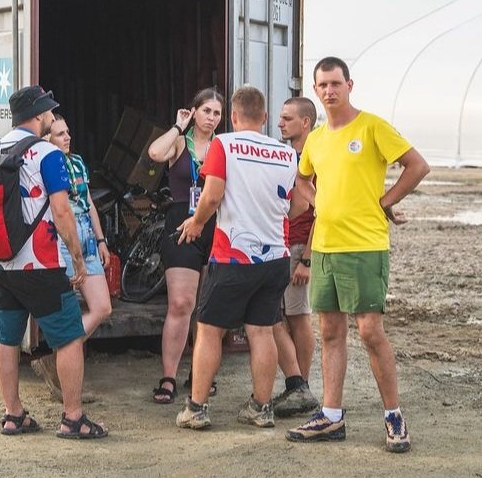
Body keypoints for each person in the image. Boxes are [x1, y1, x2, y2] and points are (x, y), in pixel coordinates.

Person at [286, 57, 430, 453]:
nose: (329, 91)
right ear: (315, 91)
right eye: (323, 85)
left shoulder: (372, 126)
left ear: (350, 85)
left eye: (336, 83)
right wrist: (320, 203)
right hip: (326, 246)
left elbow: (417, 166)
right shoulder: (315, 138)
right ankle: (331, 417)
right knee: (330, 332)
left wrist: (384, 202)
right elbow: (302, 178)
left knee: (369, 330)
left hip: (365, 246)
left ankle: (393, 416)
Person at [174, 85, 302, 430]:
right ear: (263, 117)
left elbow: (213, 195)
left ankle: (197, 408)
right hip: (275, 255)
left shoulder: (224, 144)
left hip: (233, 254)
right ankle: (261, 408)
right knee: (261, 331)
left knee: (210, 329)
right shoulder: (286, 153)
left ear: (232, 116)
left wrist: (197, 222)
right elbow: (302, 202)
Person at [0, 85, 107, 440]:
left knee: (6, 340)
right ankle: (73, 418)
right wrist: (76, 257)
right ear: (38, 116)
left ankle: (13, 415)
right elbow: (61, 210)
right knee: (69, 338)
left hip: (1, 264)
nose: (52, 118)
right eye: (49, 113)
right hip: (41, 262)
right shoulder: (47, 154)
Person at [146, 88, 224, 404]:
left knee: (207, 307)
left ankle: (200, 373)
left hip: (216, 223)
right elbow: (154, 153)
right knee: (180, 303)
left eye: (217, 113)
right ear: (193, 111)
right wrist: (179, 126)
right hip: (181, 220)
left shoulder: (223, 146)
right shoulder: (180, 141)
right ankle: (168, 377)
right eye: (206, 111)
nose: (211, 118)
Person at [34, 113, 113, 401]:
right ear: (47, 139)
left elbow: (89, 203)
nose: (67, 138)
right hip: (61, 240)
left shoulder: (77, 162)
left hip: (88, 240)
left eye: (67, 132)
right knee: (66, 312)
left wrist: (101, 240)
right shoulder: (43, 165)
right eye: (59, 134)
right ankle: (65, 377)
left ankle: (54, 361)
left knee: (102, 307)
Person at [271, 97, 321, 417]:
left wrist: (307, 260)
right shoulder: (290, 155)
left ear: (305, 123)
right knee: (284, 317)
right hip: (285, 245)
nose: (280, 123)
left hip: (302, 245)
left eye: (287, 118)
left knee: (299, 317)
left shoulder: (315, 159)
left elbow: (320, 212)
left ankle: (300, 387)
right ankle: (296, 385)